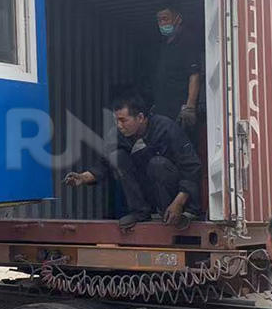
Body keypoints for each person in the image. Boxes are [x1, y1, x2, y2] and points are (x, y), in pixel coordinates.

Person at [64, 92, 201, 229]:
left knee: (157, 164)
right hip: (151, 191)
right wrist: (82, 178)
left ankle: (173, 214)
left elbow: (191, 167)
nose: (119, 125)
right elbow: (104, 164)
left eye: (123, 120)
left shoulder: (166, 128)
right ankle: (140, 212)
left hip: (179, 195)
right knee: (117, 157)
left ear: (140, 117)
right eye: (116, 120)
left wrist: (178, 203)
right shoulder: (117, 135)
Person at [153, 5, 201, 132]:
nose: (162, 23)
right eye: (159, 20)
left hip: (180, 112)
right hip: (164, 109)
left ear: (178, 19)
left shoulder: (187, 42)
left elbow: (194, 74)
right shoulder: (164, 45)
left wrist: (190, 107)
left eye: (165, 19)